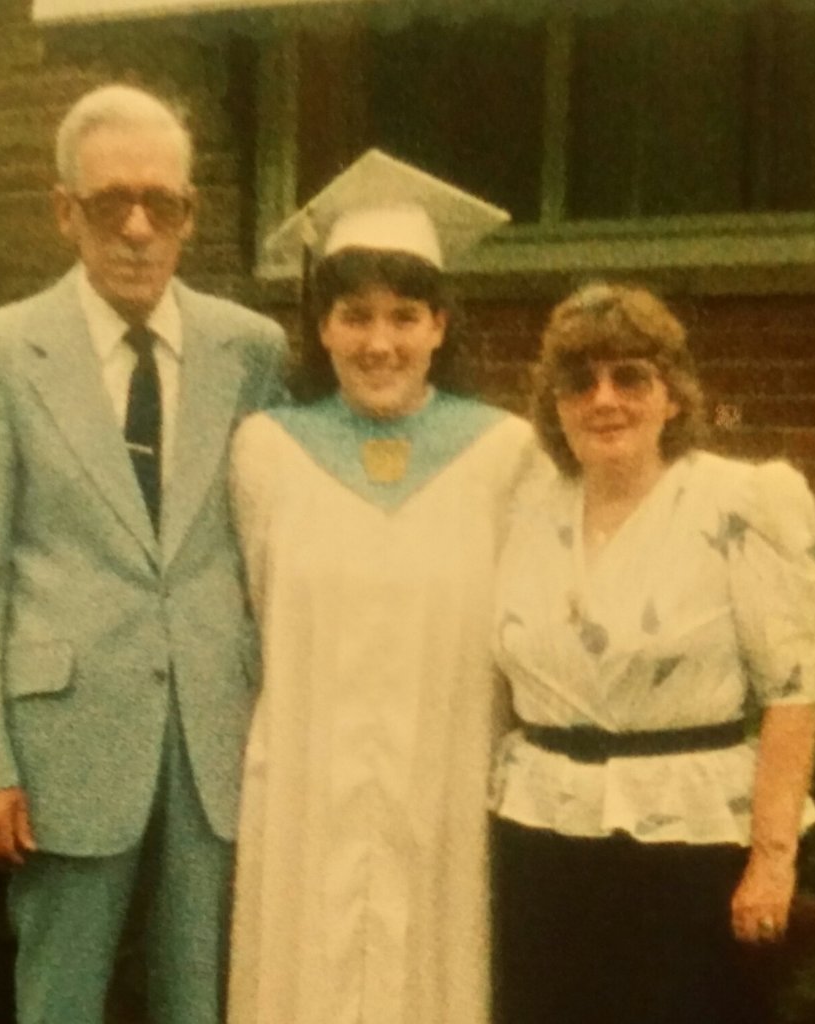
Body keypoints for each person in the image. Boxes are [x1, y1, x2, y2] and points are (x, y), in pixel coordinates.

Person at [0, 83, 286, 1024]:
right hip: (63, 743)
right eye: (108, 203)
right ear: (64, 212)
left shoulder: (251, 349)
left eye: (160, 203)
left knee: (201, 998)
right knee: (59, 998)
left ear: (189, 215)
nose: (137, 227)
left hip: (215, 730)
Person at [227, 150, 545, 1024]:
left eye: (406, 316)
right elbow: (257, 609)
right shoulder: (268, 450)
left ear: (442, 325)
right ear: (321, 327)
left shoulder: (503, 453)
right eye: (355, 316)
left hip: (448, 774)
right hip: (306, 776)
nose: (380, 342)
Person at [491, 281, 815, 1024]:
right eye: (579, 383)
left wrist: (773, 861)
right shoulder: (524, 505)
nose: (604, 399)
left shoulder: (741, 502)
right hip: (541, 840)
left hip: (689, 844)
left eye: (630, 377)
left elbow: (792, 691)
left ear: (673, 396)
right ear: (555, 406)